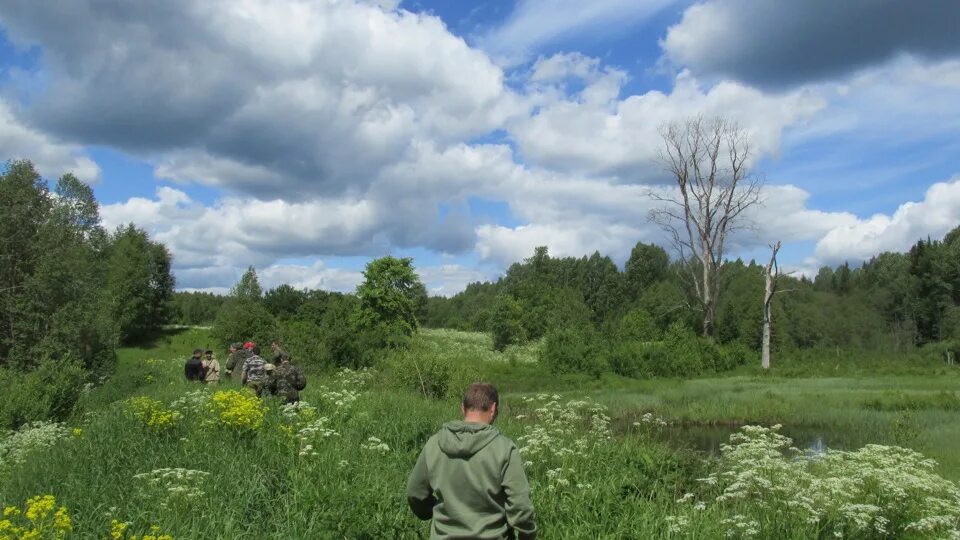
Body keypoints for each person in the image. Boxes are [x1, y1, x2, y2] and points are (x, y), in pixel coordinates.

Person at [406, 383, 536, 539]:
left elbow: (415, 492)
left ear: (462, 408)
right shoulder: (505, 448)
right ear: (494, 408)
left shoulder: (435, 443)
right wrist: (527, 535)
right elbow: (521, 507)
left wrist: (431, 512)